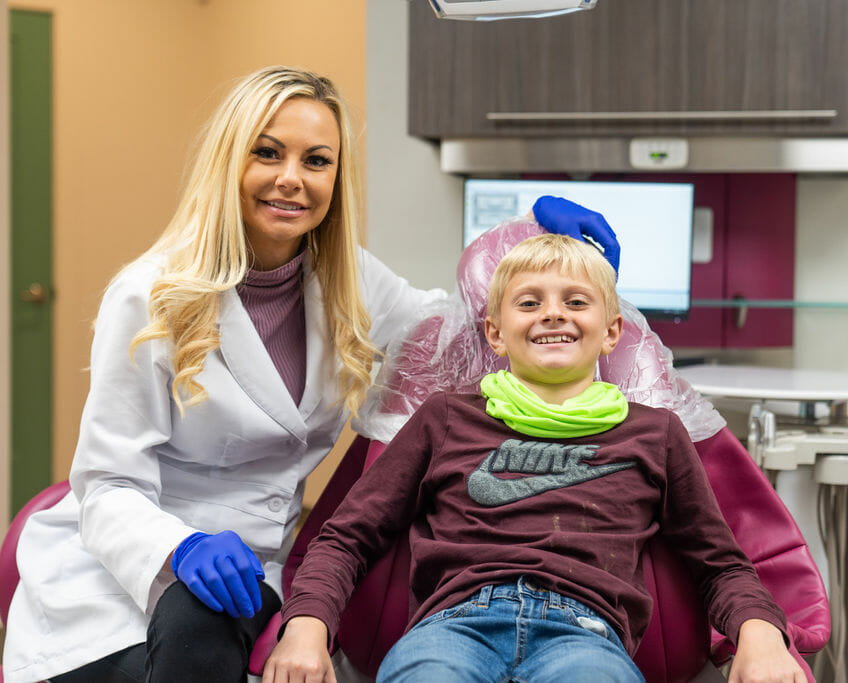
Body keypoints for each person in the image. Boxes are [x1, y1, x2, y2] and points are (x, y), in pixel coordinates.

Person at [1, 66, 612, 683]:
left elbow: (452, 333)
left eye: (316, 161)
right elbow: (106, 486)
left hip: (253, 564)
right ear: (228, 162)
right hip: (132, 558)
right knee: (189, 640)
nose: (291, 179)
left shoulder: (347, 280)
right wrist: (180, 548)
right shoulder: (148, 295)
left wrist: (528, 242)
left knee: (202, 632)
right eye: (267, 153)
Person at [265, 233, 806, 683]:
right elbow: (345, 538)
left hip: (586, 637)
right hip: (452, 628)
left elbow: (722, 563)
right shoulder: (444, 418)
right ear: (496, 334)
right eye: (529, 302)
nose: (553, 314)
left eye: (576, 301)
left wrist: (760, 630)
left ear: (612, 332)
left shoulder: (656, 434)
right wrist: (307, 624)